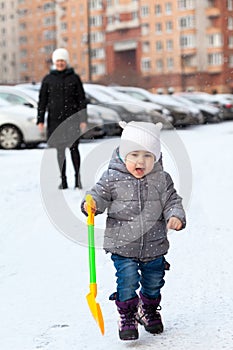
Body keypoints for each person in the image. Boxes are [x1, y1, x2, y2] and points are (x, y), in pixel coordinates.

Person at [81, 121, 186, 341]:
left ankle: (148, 309)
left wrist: (175, 215)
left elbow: (172, 201)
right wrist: (91, 203)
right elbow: (98, 195)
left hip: (154, 244)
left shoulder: (161, 179)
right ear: (123, 155)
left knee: (154, 282)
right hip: (123, 245)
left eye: (148, 155)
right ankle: (127, 314)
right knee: (127, 279)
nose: (141, 161)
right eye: (134, 154)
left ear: (156, 158)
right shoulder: (111, 178)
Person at [37, 48, 88, 189]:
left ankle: (78, 179)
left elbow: (81, 100)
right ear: (54, 62)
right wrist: (40, 120)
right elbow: (42, 101)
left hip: (72, 120)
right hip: (55, 120)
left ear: (66, 62)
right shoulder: (48, 79)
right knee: (60, 151)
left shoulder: (74, 78)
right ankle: (63, 181)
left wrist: (83, 119)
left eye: (62, 61)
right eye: (58, 61)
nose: (60, 63)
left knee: (74, 149)